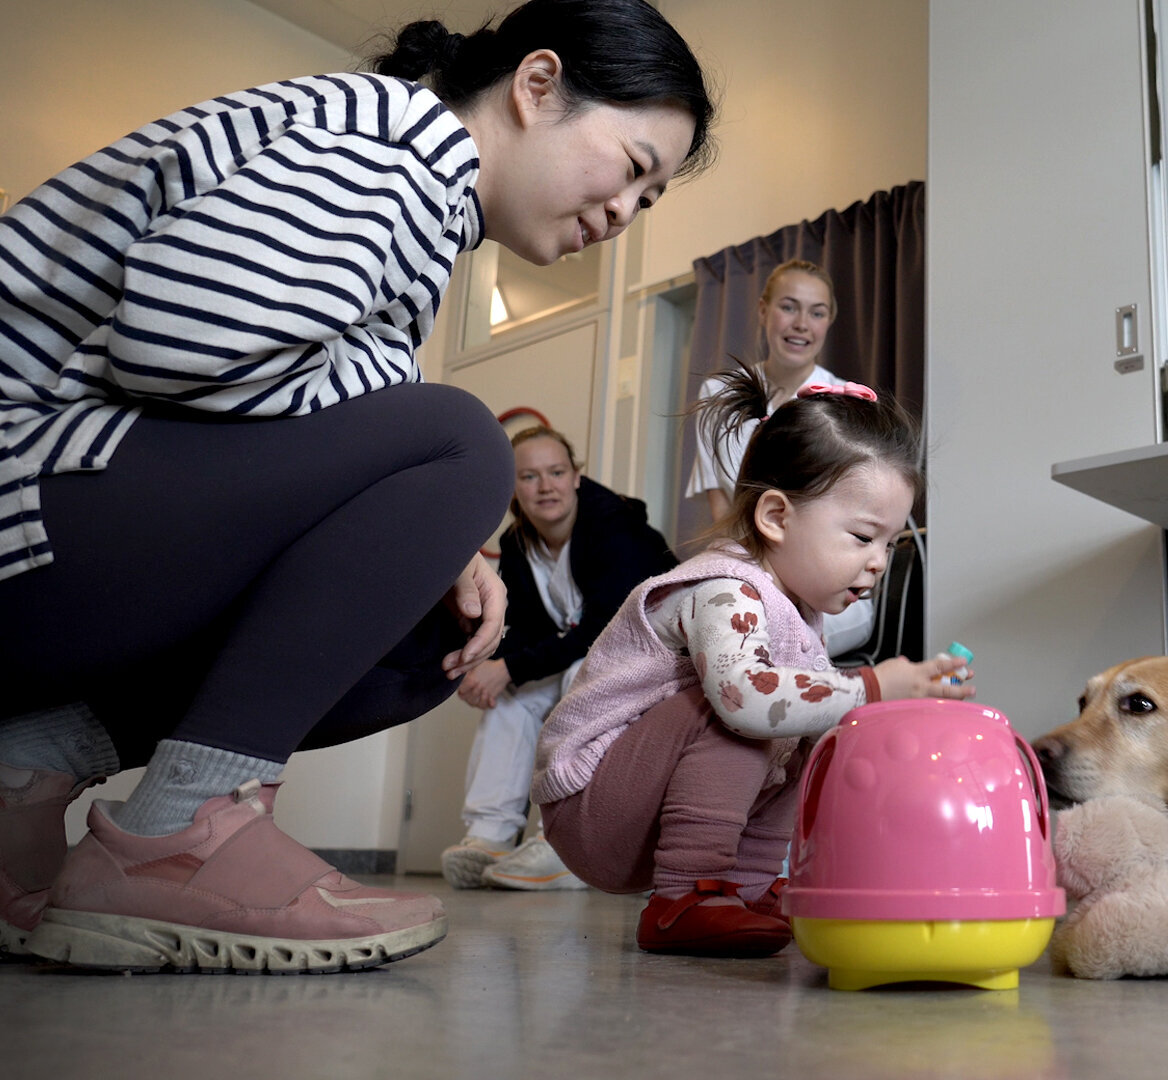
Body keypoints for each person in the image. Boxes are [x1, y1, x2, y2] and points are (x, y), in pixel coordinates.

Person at [0, 0, 714, 973]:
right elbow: (179, 345)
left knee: (440, 624)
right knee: (460, 443)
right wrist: (415, 457)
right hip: (25, 494)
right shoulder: (391, 141)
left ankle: (23, 780)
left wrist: (434, 537)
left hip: (55, 525)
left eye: (652, 201)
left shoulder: (419, 198)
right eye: (634, 170)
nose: (627, 214)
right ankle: (180, 835)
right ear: (537, 87)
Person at [533, 367, 972, 957]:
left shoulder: (796, 613)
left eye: (889, 544)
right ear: (775, 517)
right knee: (743, 704)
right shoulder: (727, 589)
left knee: (807, 718)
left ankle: (749, 885)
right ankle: (687, 894)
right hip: (591, 810)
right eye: (863, 537)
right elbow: (745, 697)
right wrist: (870, 685)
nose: (878, 563)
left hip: (648, 812)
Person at [440, 425, 676, 891]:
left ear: (576, 478)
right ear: (512, 488)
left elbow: (606, 634)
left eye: (556, 472)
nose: (545, 486)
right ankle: (488, 836)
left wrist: (508, 667)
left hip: (655, 664)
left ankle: (565, 845)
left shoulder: (616, 527)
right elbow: (528, 629)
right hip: (591, 660)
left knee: (578, 678)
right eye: (529, 476)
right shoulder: (517, 544)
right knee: (511, 695)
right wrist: (485, 665)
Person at [685, 259, 879, 655]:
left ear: (829, 321)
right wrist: (745, 580)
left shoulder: (845, 403)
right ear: (763, 310)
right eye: (788, 306)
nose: (801, 323)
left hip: (829, 589)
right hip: (745, 575)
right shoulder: (719, 394)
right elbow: (724, 510)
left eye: (817, 312)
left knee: (760, 642)